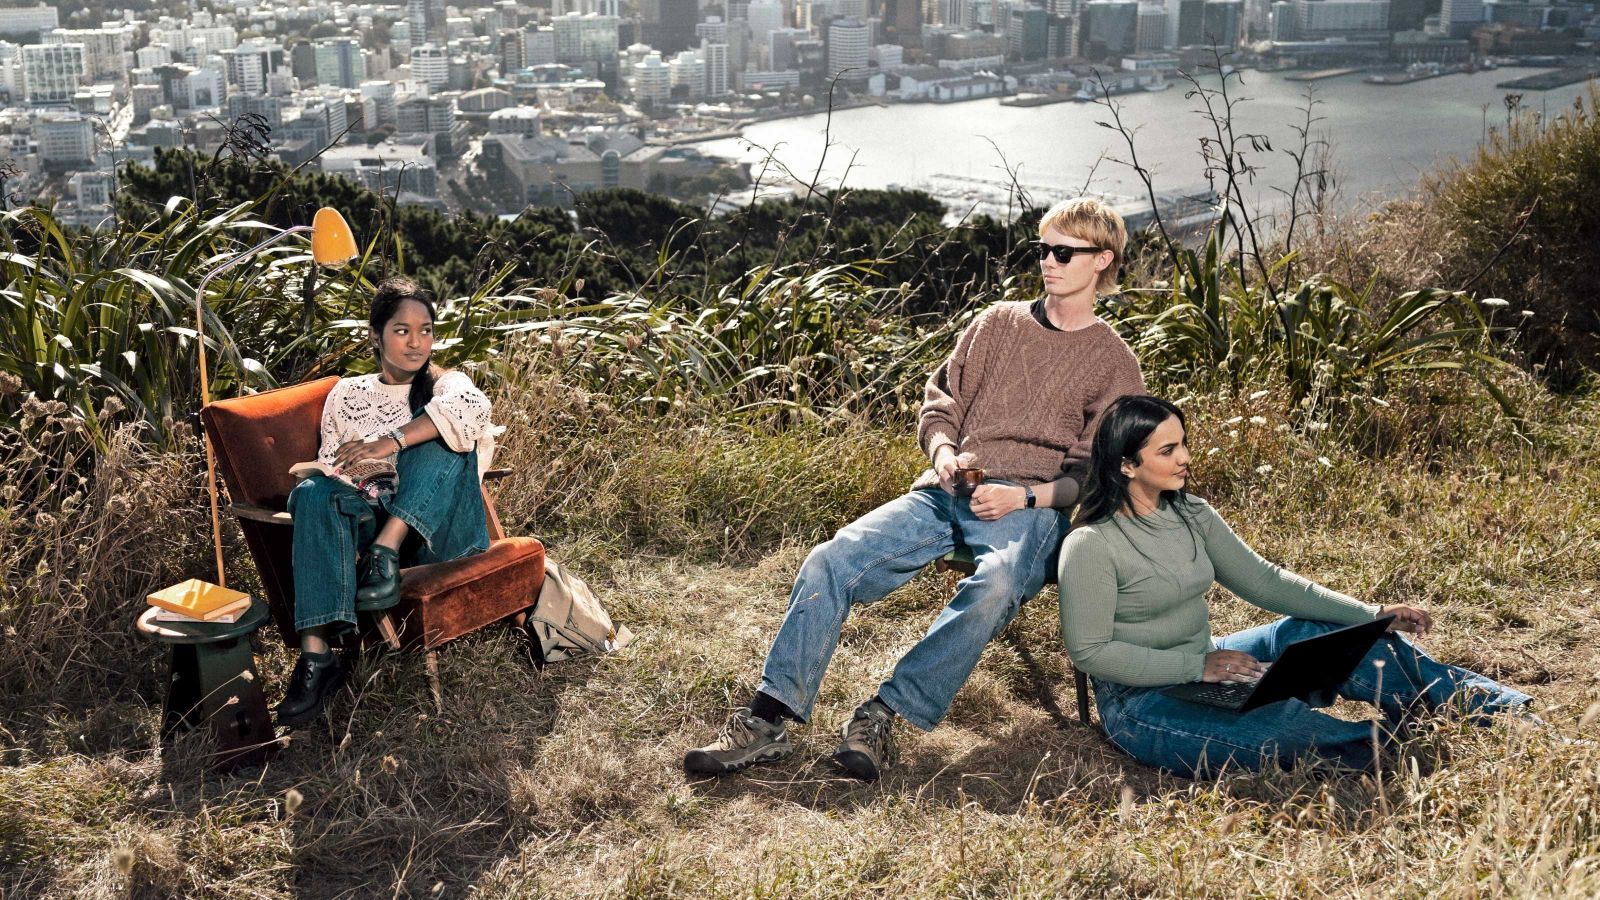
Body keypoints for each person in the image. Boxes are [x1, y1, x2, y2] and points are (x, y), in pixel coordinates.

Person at [684, 198, 1147, 780]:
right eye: (1042, 249)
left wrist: (1022, 499)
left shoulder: (1113, 361)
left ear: (1102, 260)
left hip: (1028, 508)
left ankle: (883, 714)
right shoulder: (995, 323)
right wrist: (945, 453)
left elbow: (1088, 475)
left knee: (997, 583)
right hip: (948, 488)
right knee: (833, 558)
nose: (1046, 263)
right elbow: (942, 405)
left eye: (1062, 252)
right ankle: (769, 719)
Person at [1057, 395, 1533, 778]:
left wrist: (1369, 614)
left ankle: (1490, 708)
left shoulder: (1191, 513)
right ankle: (1388, 748)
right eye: (1167, 450)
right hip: (1139, 698)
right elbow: (1091, 652)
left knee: (1332, 633)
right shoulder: (1091, 545)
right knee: (1282, 733)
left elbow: (1264, 580)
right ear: (1125, 465)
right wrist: (1196, 666)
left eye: (1182, 442)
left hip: (1211, 658)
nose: (1184, 457)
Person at [276, 277, 497, 727]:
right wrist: (356, 474)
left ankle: (387, 550)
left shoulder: (446, 384)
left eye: (427, 330)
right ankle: (317, 659)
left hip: (437, 531)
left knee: (447, 435)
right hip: (368, 514)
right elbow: (336, 464)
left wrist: (389, 443)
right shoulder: (349, 393)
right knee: (314, 491)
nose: (417, 343)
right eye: (402, 330)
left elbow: (470, 410)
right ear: (376, 335)